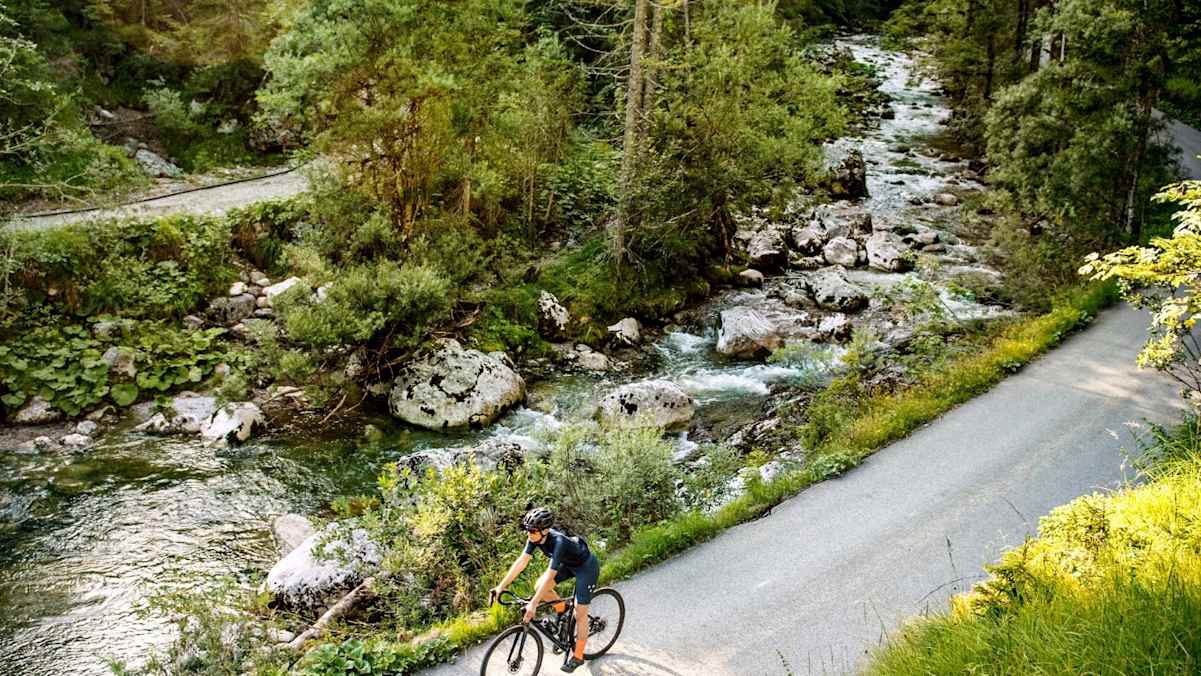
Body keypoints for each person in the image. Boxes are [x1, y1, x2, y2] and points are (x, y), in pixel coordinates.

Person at [490, 507, 600, 673]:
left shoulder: (559, 542)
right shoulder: (534, 538)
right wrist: (500, 586)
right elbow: (521, 562)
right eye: (527, 529)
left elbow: (550, 575)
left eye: (532, 530)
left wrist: (534, 604)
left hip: (586, 567)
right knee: (538, 586)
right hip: (569, 565)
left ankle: (578, 656)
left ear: (545, 530)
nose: (529, 533)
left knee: (580, 613)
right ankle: (562, 609)